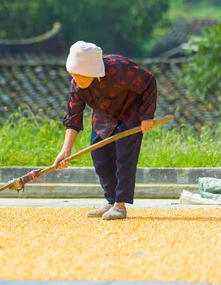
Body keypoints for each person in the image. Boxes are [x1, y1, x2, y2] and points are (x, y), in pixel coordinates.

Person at [54, 41, 157, 220]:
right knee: (99, 154)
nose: (76, 79)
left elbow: (149, 81)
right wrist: (66, 150)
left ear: (93, 72)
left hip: (130, 110)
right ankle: (110, 200)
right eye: (74, 75)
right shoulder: (77, 85)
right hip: (104, 114)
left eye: (80, 75)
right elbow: (73, 116)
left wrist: (147, 116)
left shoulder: (119, 68)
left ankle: (120, 205)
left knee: (124, 155)